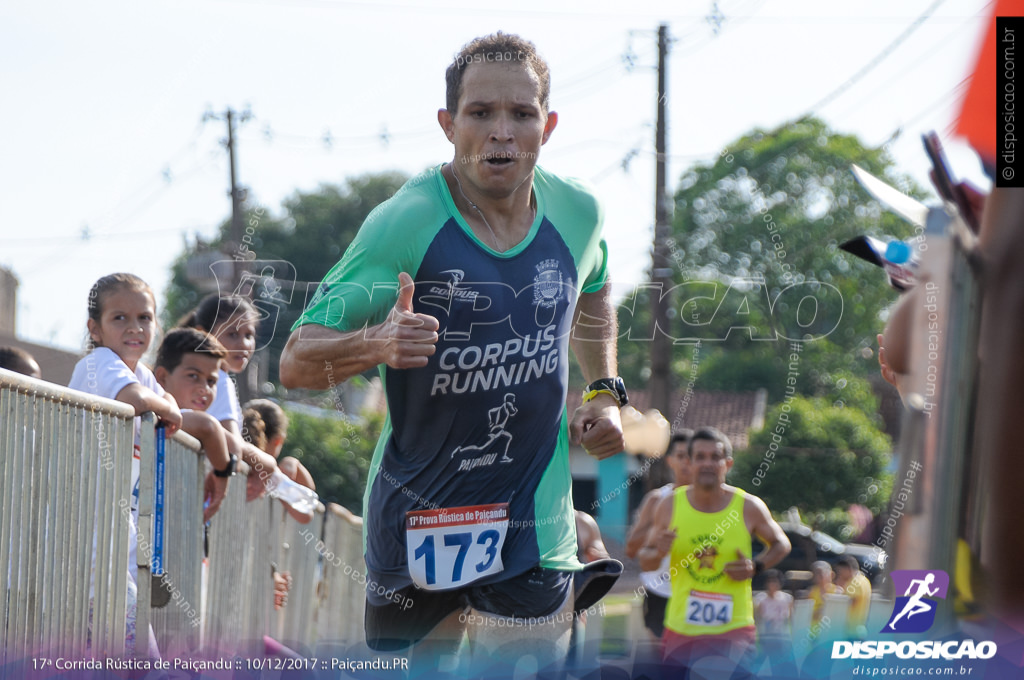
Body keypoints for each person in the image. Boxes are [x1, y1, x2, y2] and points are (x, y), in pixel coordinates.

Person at [280, 32, 625, 669]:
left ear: (546, 126)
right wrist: (376, 341)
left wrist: (604, 390)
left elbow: (596, 294)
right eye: (480, 113)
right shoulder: (405, 222)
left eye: (521, 114)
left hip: (534, 524)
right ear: (447, 124)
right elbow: (297, 360)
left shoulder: (579, 213)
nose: (502, 133)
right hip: (419, 515)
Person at [68, 273, 184, 657]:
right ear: (95, 329)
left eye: (145, 318)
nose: (135, 328)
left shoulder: (140, 371)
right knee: (144, 664)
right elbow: (136, 400)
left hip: (114, 550)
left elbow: (157, 398)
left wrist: (166, 406)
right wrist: (167, 407)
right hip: (89, 551)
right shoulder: (100, 362)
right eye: (119, 318)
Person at [640, 427, 791, 672]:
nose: (707, 463)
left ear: (727, 463)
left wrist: (756, 566)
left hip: (734, 630)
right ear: (688, 463)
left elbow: (781, 544)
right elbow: (646, 562)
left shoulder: (748, 506)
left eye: (715, 457)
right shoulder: (669, 505)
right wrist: (658, 551)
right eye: (700, 457)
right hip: (681, 630)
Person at [178, 294, 278, 500]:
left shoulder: (182, 373)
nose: (243, 343)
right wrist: (268, 463)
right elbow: (232, 444)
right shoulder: (221, 382)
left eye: (249, 335)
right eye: (232, 334)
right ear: (203, 334)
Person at [152, 327, 235, 521]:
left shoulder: (198, 421)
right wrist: (223, 473)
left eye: (212, 381)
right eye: (193, 376)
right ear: (163, 377)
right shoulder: (155, 413)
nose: (204, 389)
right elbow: (207, 426)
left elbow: (234, 445)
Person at [625, 430, 692, 640]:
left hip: (700, 592)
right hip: (661, 591)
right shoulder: (656, 500)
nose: (687, 463)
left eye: (693, 456)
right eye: (681, 456)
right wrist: (656, 533)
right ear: (670, 461)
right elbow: (630, 549)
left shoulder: (719, 503)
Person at [244, 398, 317, 524]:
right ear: (278, 440)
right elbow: (306, 512)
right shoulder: (269, 474)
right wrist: (294, 464)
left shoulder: (227, 455)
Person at [753, 569, 795, 677]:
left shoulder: (787, 598)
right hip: (766, 636)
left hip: (782, 636)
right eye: (770, 582)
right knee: (760, 662)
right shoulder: (760, 599)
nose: (772, 585)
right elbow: (757, 618)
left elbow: (791, 618)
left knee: (779, 664)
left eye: (775, 582)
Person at [834, 555, 871, 637]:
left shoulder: (854, 583)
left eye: (840, 571)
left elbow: (850, 604)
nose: (839, 574)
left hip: (851, 631)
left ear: (847, 569)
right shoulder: (864, 580)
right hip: (860, 629)